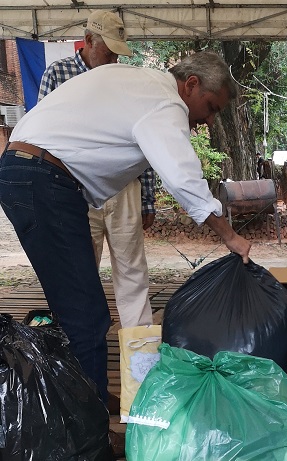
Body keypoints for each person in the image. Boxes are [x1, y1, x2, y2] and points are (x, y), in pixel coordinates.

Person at [0, 51, 252, 412]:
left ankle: (87, 399)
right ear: (191, 84)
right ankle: (91, 423)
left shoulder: (141, 84)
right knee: (86, 315)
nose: (209, 120)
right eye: (211, 107)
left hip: (33, 173)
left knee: (77, 309)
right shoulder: (166, 101)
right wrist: (230, 236)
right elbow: (183, 178)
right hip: (43, 178)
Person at [38, 10, 155, 332]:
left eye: (118, 53)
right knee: (78, 273)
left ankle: (140, 354)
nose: (114, 59)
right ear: (88, 40)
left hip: (125, 188)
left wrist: (147, 199)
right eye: (109, 52)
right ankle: (82, 345)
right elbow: (42, 134)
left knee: (133, 274)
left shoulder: (127, 81)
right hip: (76, 189)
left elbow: (142, 140)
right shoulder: (57, 74)